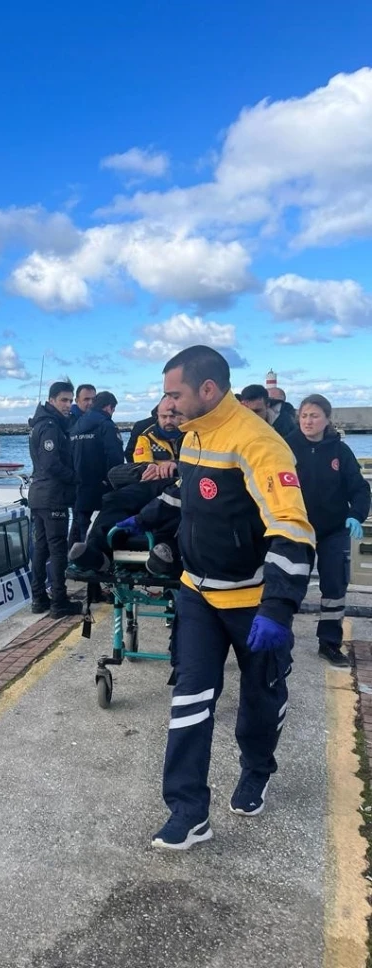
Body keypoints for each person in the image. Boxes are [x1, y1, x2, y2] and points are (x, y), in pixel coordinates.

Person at [117, 345, 315, 850]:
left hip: (252, 604)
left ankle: (257, 768)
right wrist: (141, 520)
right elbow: (185, 495)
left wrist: (277, 606)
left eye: (174, 393)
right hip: (197, 595)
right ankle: (188, 812)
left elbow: (292, 529)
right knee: (190, 699)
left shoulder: (259, 444)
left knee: (260, 699)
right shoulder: (191, 437)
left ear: (208, 389)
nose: (168, 403)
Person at [287, 394, 370, 667]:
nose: (308, 421)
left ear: (327, 419)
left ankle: (330, 643)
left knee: (334, 587)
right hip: (297, 529)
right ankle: (280, 640)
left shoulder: (340, 451)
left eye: (314, 416)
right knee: (289, 585)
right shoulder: (286, 447)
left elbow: (359, 488)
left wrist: (356, 515)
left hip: (334, 530)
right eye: (304, 415)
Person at [28, 381, 83, 619]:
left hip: (38, 495)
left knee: (40, 549)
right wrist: (75, 478)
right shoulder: (50, 427)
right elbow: (51, 464)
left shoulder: (40, 424)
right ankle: (59, 600)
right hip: (53, 496)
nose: (68, 405)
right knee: (57, 549)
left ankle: (38, 598)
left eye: (70, 400)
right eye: (64, 400)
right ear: (51, 400)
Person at [69, 391, 125, 542]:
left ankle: (79, 562)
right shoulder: (106, 426)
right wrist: (112, 483)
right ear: (108, 407)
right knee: (104, 534)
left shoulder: (75, 426)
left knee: (81, 534)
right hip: (102, 490)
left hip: (79, 489)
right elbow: (116, 459)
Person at [131, 398, 183, 481]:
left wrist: (176, 464)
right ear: (157, 416)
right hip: (159, 483)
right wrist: (151, 468)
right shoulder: (146, 438)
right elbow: (142, 464)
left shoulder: (192, 434)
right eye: (164, 417)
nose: (168, 421)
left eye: (172, 416)